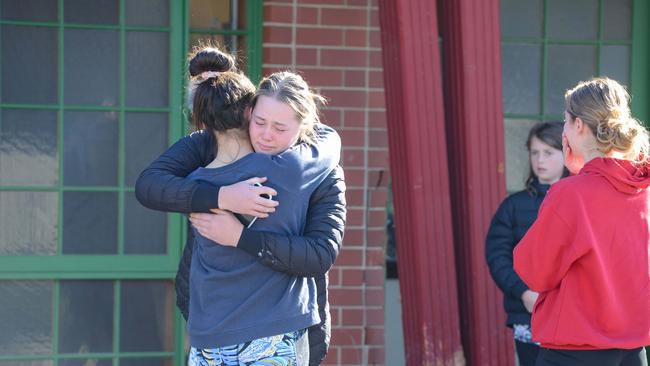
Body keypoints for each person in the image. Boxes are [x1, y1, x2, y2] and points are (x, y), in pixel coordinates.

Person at [136, 45, 345, 366]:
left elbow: (319, 254)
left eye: (280, 128)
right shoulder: (209, 144)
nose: (265, 135)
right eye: (260, 122)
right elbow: (149, 186)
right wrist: (222, 196)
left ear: (303, 127)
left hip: (278, 330)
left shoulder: (316, 168)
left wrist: (240, 237)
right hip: (213, 327)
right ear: (247, 112)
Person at [513, 77, 650, 366]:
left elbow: (534, 271)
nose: (563, 128)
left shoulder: (571, 194)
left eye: (565, 120)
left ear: (578, 126)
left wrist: (579, 177)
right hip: (633, 352)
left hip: (575, 351)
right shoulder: (643, 189)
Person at [485, 121, 568, 366]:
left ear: (566, 153)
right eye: (534, 152)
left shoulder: (581, 204)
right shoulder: (512, 206)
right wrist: (523, 292)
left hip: (572, 316)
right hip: (527, 313)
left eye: (548, 153)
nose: (539, 160)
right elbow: (497, 257)